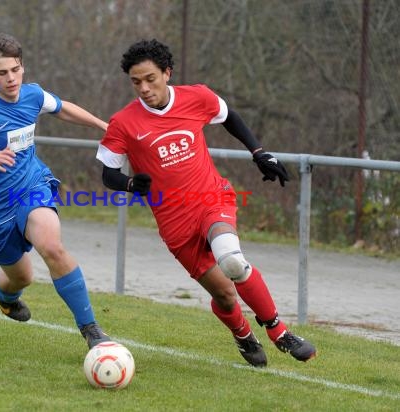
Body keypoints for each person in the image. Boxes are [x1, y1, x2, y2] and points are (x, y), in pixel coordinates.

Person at [96, 39, 316, 367]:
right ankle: (242, 334)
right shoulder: (124, 123)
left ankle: (279, 331)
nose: (143, 87)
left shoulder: (196, 97)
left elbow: (230, 117)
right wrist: (129, 184)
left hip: (210, 198)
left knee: (232, 261)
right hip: (175, 223)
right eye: (136, 82)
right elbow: (107, 173)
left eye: (150, 78)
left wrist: (258, 152)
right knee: (225, 295)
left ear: (167, 73)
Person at [0, 33, 111, 349]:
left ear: (23, 68)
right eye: (2, 73)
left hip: (31, 187)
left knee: (52, 247)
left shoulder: (32, 96)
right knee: (22, 277)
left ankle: (91, 330)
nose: (11, 79)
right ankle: (4, 294)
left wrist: (104, 127)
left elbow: (63, 109)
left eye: (16, 70)